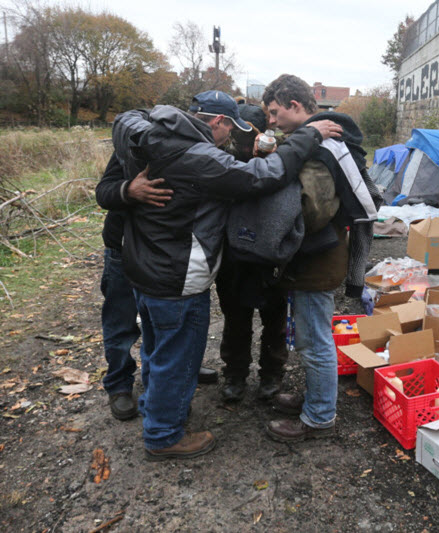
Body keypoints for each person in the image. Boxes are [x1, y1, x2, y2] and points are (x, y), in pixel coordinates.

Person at [117, 90, 342, 461]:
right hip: (176, 274)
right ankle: (163, 434)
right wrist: (309, 135)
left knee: (158, 348)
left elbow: (127, 115)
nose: (230, 137)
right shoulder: (195, 155)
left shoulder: (140, 133)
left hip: (146, 267)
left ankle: (158, 411)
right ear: (218, 122)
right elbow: (263, 176)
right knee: (178, 355)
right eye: (230, 128)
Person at [260, 74, 380, 443]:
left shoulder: (322, 149)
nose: (272, 121)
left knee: (315, 342)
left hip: (318, 259)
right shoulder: (318, 141)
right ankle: (315, 399)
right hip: (316, 257)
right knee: (312, 337)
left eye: (275, 112)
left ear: (296, 107)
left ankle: (319, 417)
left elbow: (313, 212)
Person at [95, 115, 218, 421]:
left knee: (158, 329)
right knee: (122, 322)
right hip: (123, 250)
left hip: (159, 256)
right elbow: (104, 192)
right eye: (221, 129)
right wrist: (128, 191)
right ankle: (120, 385)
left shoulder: (199, 154)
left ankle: (163, 391)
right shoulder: (137, 146)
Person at [216, 102, 289, 403]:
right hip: (233, 257)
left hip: (270, 257)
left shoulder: (280, 162)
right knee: (236, 320)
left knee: (274, 320)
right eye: (238, 133)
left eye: (251, 134)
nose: (244, 141)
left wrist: (272, 155)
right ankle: (235, 374)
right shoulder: (223, 160)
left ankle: (271, 376)